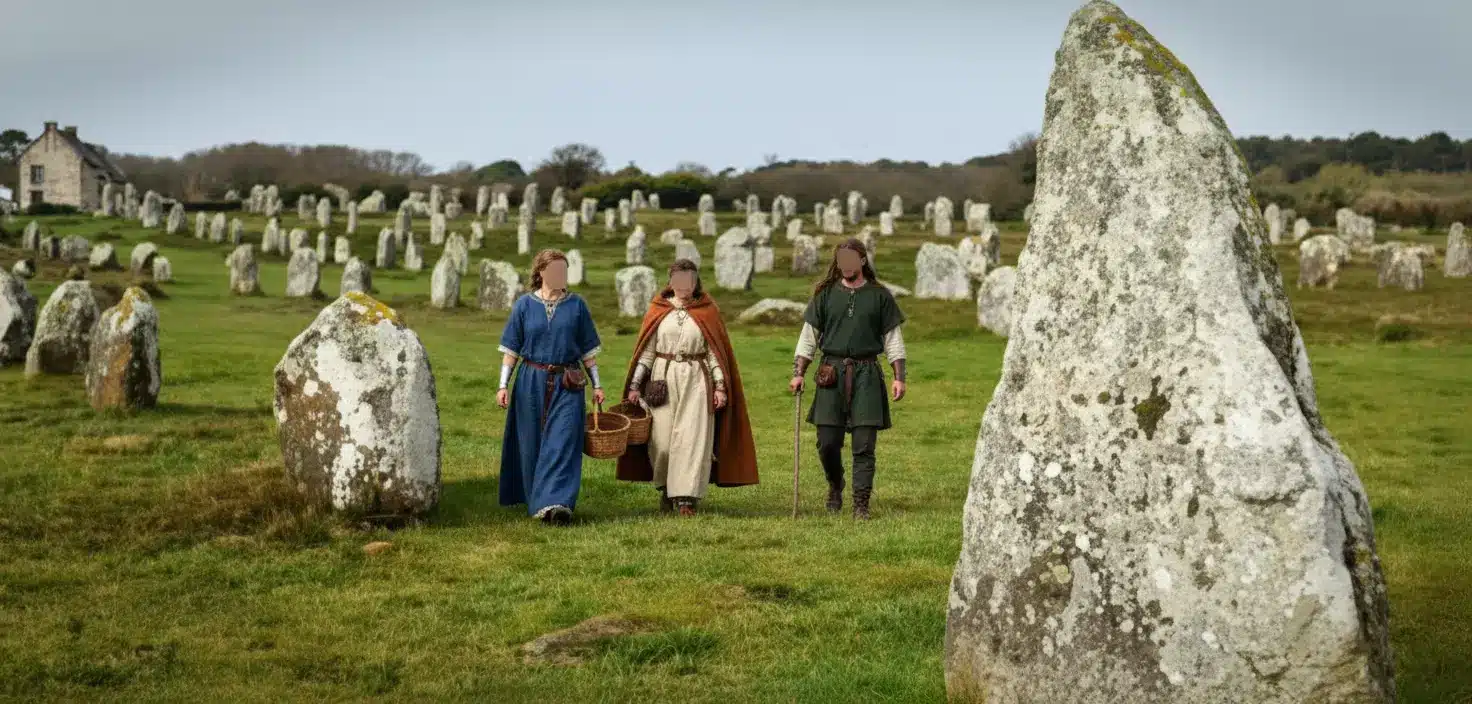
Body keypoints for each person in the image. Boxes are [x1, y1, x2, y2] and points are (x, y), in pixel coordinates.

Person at [617, 259, 758, 515]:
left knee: (692, 440)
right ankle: (666, 488)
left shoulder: (707, 310)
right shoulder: (659, 309)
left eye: (688, 280)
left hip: (697, 380)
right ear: (671, 282)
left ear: (695, 282)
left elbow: (714, 354)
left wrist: (720, 387)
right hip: (662, 379)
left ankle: (686, 498)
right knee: (661, 442)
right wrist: (635, 385)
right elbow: (646, 353)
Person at [789, 237, 907, 520]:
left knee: (864, 445)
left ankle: (861, 504)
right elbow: (808, 338)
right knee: (827, 442)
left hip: (867, 374)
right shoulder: (826, 295)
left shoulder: (880, 296)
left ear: (863, 261)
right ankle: (835, 484)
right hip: (830, 373)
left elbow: (893, 340)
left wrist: (899, 377)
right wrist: (798, 373)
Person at [496, 249, 605, 525]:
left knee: (563, 440)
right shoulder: (524, 306)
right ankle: (538, 500)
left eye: (564, 271)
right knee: (531, 441)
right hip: (530, 381)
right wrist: (502, 385)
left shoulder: (577, 306)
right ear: (541, 272)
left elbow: (588, 351)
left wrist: (597, 385)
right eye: (555, 270)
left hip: (569, 382)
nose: (561, 275)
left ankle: (557, 505)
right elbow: (511, 350)